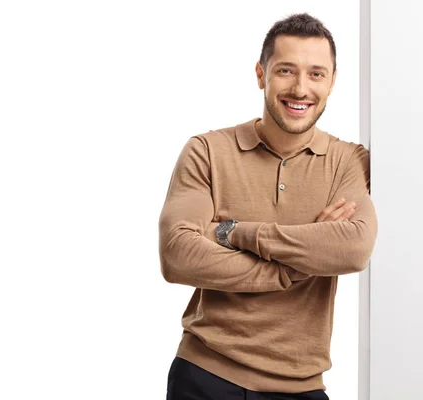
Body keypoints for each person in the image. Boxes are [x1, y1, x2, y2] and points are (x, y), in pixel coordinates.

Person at [159, 13, 377, 400]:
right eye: (285, 71)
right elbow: (178, 256)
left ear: (332, 82)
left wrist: (231, 232)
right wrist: (302, 262)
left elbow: (353, 249)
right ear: (261, 74)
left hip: (301, 386)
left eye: (316, 74)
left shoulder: (348, 161)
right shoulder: (207, 151)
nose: (300, 88)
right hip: (205, 374)